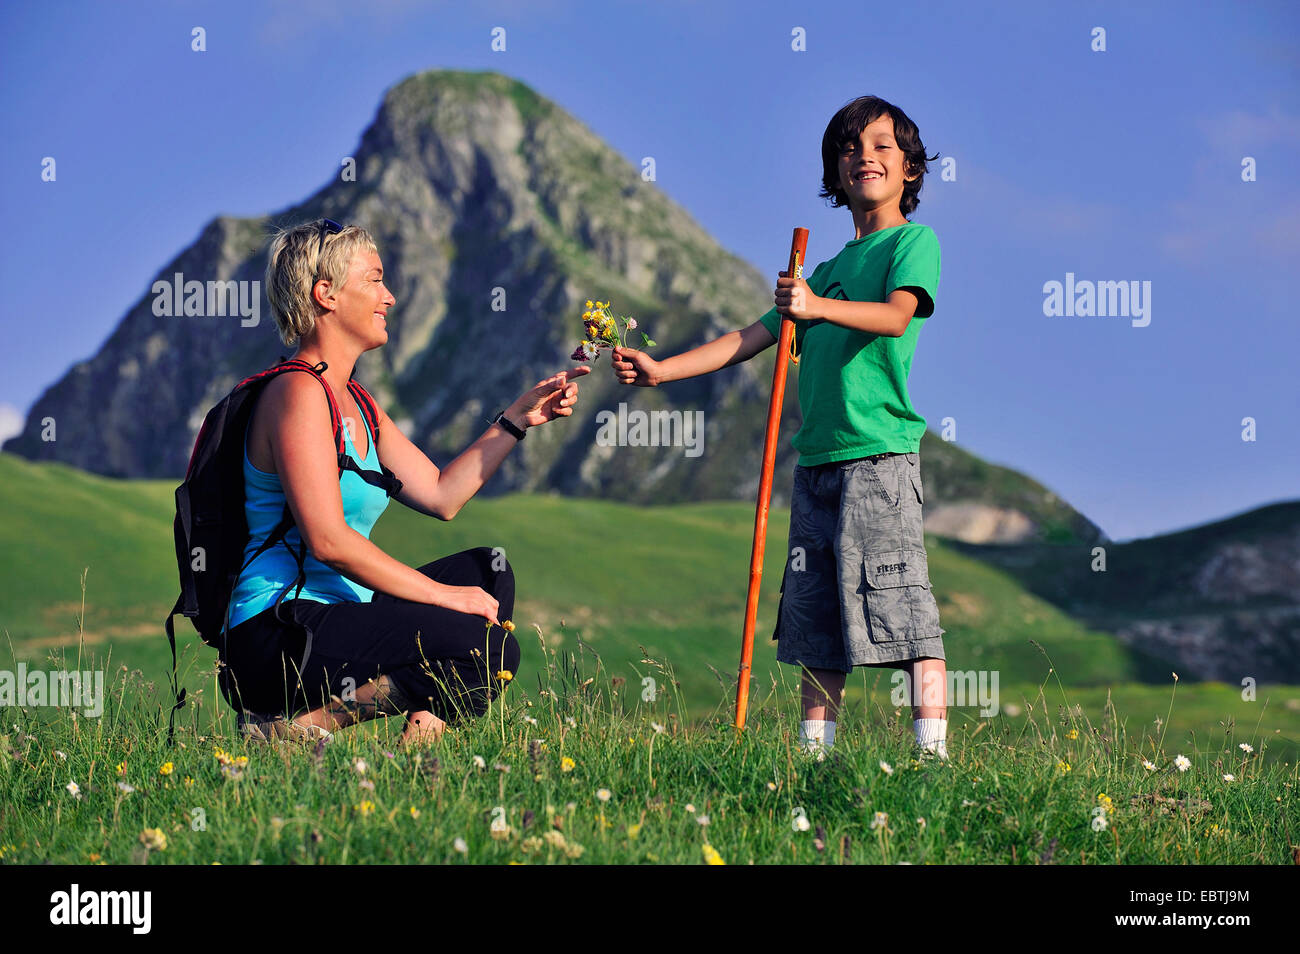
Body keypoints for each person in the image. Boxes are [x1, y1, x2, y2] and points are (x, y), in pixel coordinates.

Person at [612, 96, 950, 761]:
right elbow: (749, 338)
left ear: (910, 167)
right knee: (813, 619)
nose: (865, 158)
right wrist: (661, 372)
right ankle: (812, 761)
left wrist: (817, 307)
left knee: (903, 610)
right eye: (850, 148)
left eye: (883, 147)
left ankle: (930, 760)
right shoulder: (819, 272)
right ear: (834, 169)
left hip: (879, 456)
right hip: (816, 462)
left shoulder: (912, 243)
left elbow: (896, 316)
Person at [220, 218, 590, 745]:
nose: (389, 297)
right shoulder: (296, 394)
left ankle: (417, 760)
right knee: (486, 644)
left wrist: (517, 419)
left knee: (489, 571)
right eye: (374, 280)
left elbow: (442, 495)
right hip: (277, 631)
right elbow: (328, 542)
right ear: (324, 294)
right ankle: (297, 729)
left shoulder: (362, 406)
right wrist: (443, 597)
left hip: (338, 616)